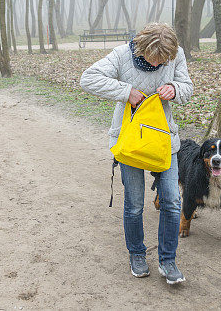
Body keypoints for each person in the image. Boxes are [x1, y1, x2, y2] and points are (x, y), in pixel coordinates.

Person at [80, 23, 193, 284]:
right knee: (134, 204)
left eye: (164, 59)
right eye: (155, 57)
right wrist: (126, 91)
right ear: (142, 48)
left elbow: (187, 87)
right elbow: (88, 78)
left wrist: (175, 90)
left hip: (165, 141)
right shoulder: (121, 55)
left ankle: (168, 260)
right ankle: (137, 254)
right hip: (129, 142)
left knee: (172, 201)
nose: (159, 63)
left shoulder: (175, 55)